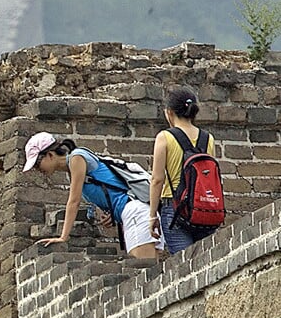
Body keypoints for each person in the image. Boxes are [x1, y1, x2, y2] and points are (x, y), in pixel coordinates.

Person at [23, 132, 163, 259]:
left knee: (144, 269)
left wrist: (63, 237)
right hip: (135, 215)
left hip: (136, 214)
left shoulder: (76, 158)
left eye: (37, 164)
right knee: (150, 271)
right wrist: (111, 215)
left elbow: (74, 201)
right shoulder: (73, 167)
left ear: (50, 155)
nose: (37, 170)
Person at [149, 88, 217, 253]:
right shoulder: (208, 138)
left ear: (169, 112)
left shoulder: (164, 137)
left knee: (183, 265)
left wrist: (152, 216)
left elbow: (157, 179)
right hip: (204, 206)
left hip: (175, 207)